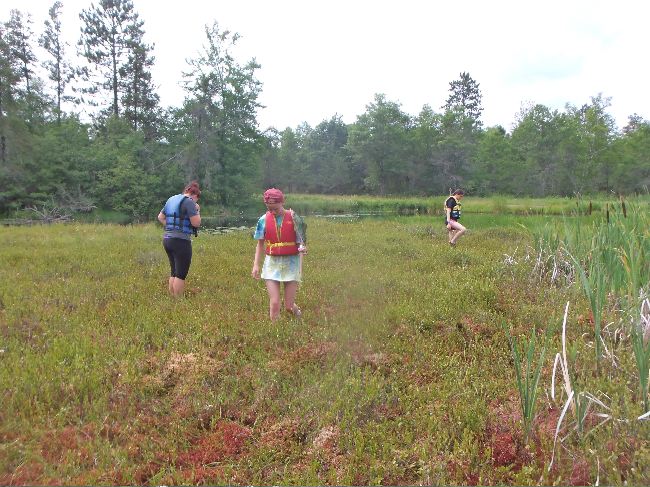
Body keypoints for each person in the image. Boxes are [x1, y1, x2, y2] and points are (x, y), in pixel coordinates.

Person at [251, 188, 307, 320]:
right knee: (275, 303)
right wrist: (256, 265)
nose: (273, 212)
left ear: (282, 202)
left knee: (289, 306)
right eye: (269, 208)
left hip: (291, 263)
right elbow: (260, 244)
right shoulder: (263, 220)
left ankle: (297, 314)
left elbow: (301, 242)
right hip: (272, 264)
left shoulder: (295, 218)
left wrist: (303, 248)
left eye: (275, 208)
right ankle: (275, 330)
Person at [157, 181, 202, 297]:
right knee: (181, 274)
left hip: (167, 239)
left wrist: (171, 227)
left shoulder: (171, 199)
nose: (196, 202)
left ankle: (172, 298)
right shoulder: (189, 202)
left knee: (174, 271)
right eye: (197, 199)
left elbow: (160, 217)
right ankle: (178, 300)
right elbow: (196, 223)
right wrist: (197, 210)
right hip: (181, 242)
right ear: (195, 195)